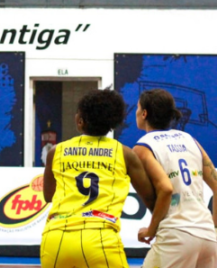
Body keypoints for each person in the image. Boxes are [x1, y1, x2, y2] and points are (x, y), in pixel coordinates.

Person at [41, 89, 156, 268]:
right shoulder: (124, 153)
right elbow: (150, 198)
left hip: (56, 238)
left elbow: (49, 196)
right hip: (100, 236)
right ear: (113, 122)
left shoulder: (56, 151)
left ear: (80, 121)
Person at [133, 89, 217, 268]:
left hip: (177, 235)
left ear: (145, 113)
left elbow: (166, 189)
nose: (136, 111)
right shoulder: (190, 139)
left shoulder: (142, 147)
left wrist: (151, 230)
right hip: (208, 237)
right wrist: (213, 227)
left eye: (138, 107)